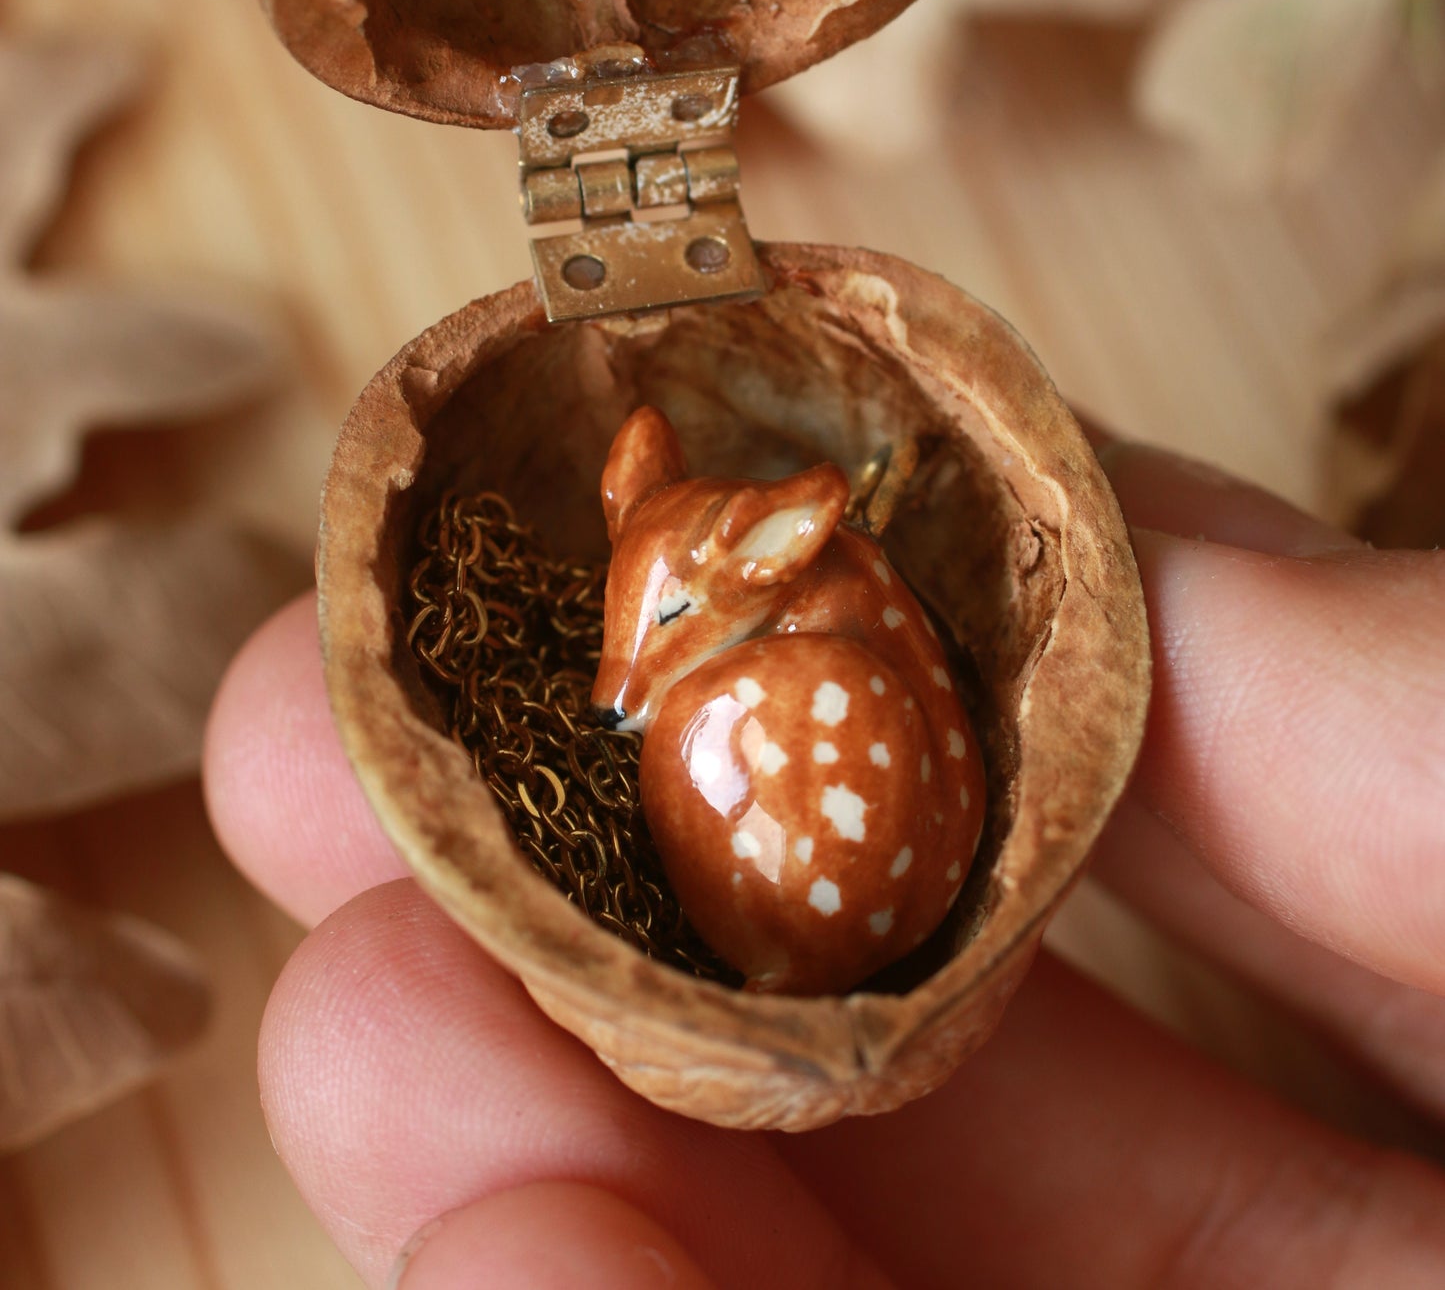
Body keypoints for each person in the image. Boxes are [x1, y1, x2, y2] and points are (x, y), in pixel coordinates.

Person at [203, 439, 1445, 1288]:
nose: (618, 689)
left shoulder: (793, 639)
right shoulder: (801, 598)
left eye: (671, 628)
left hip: (843, 904)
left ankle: (768, 937)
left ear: (777, 555)